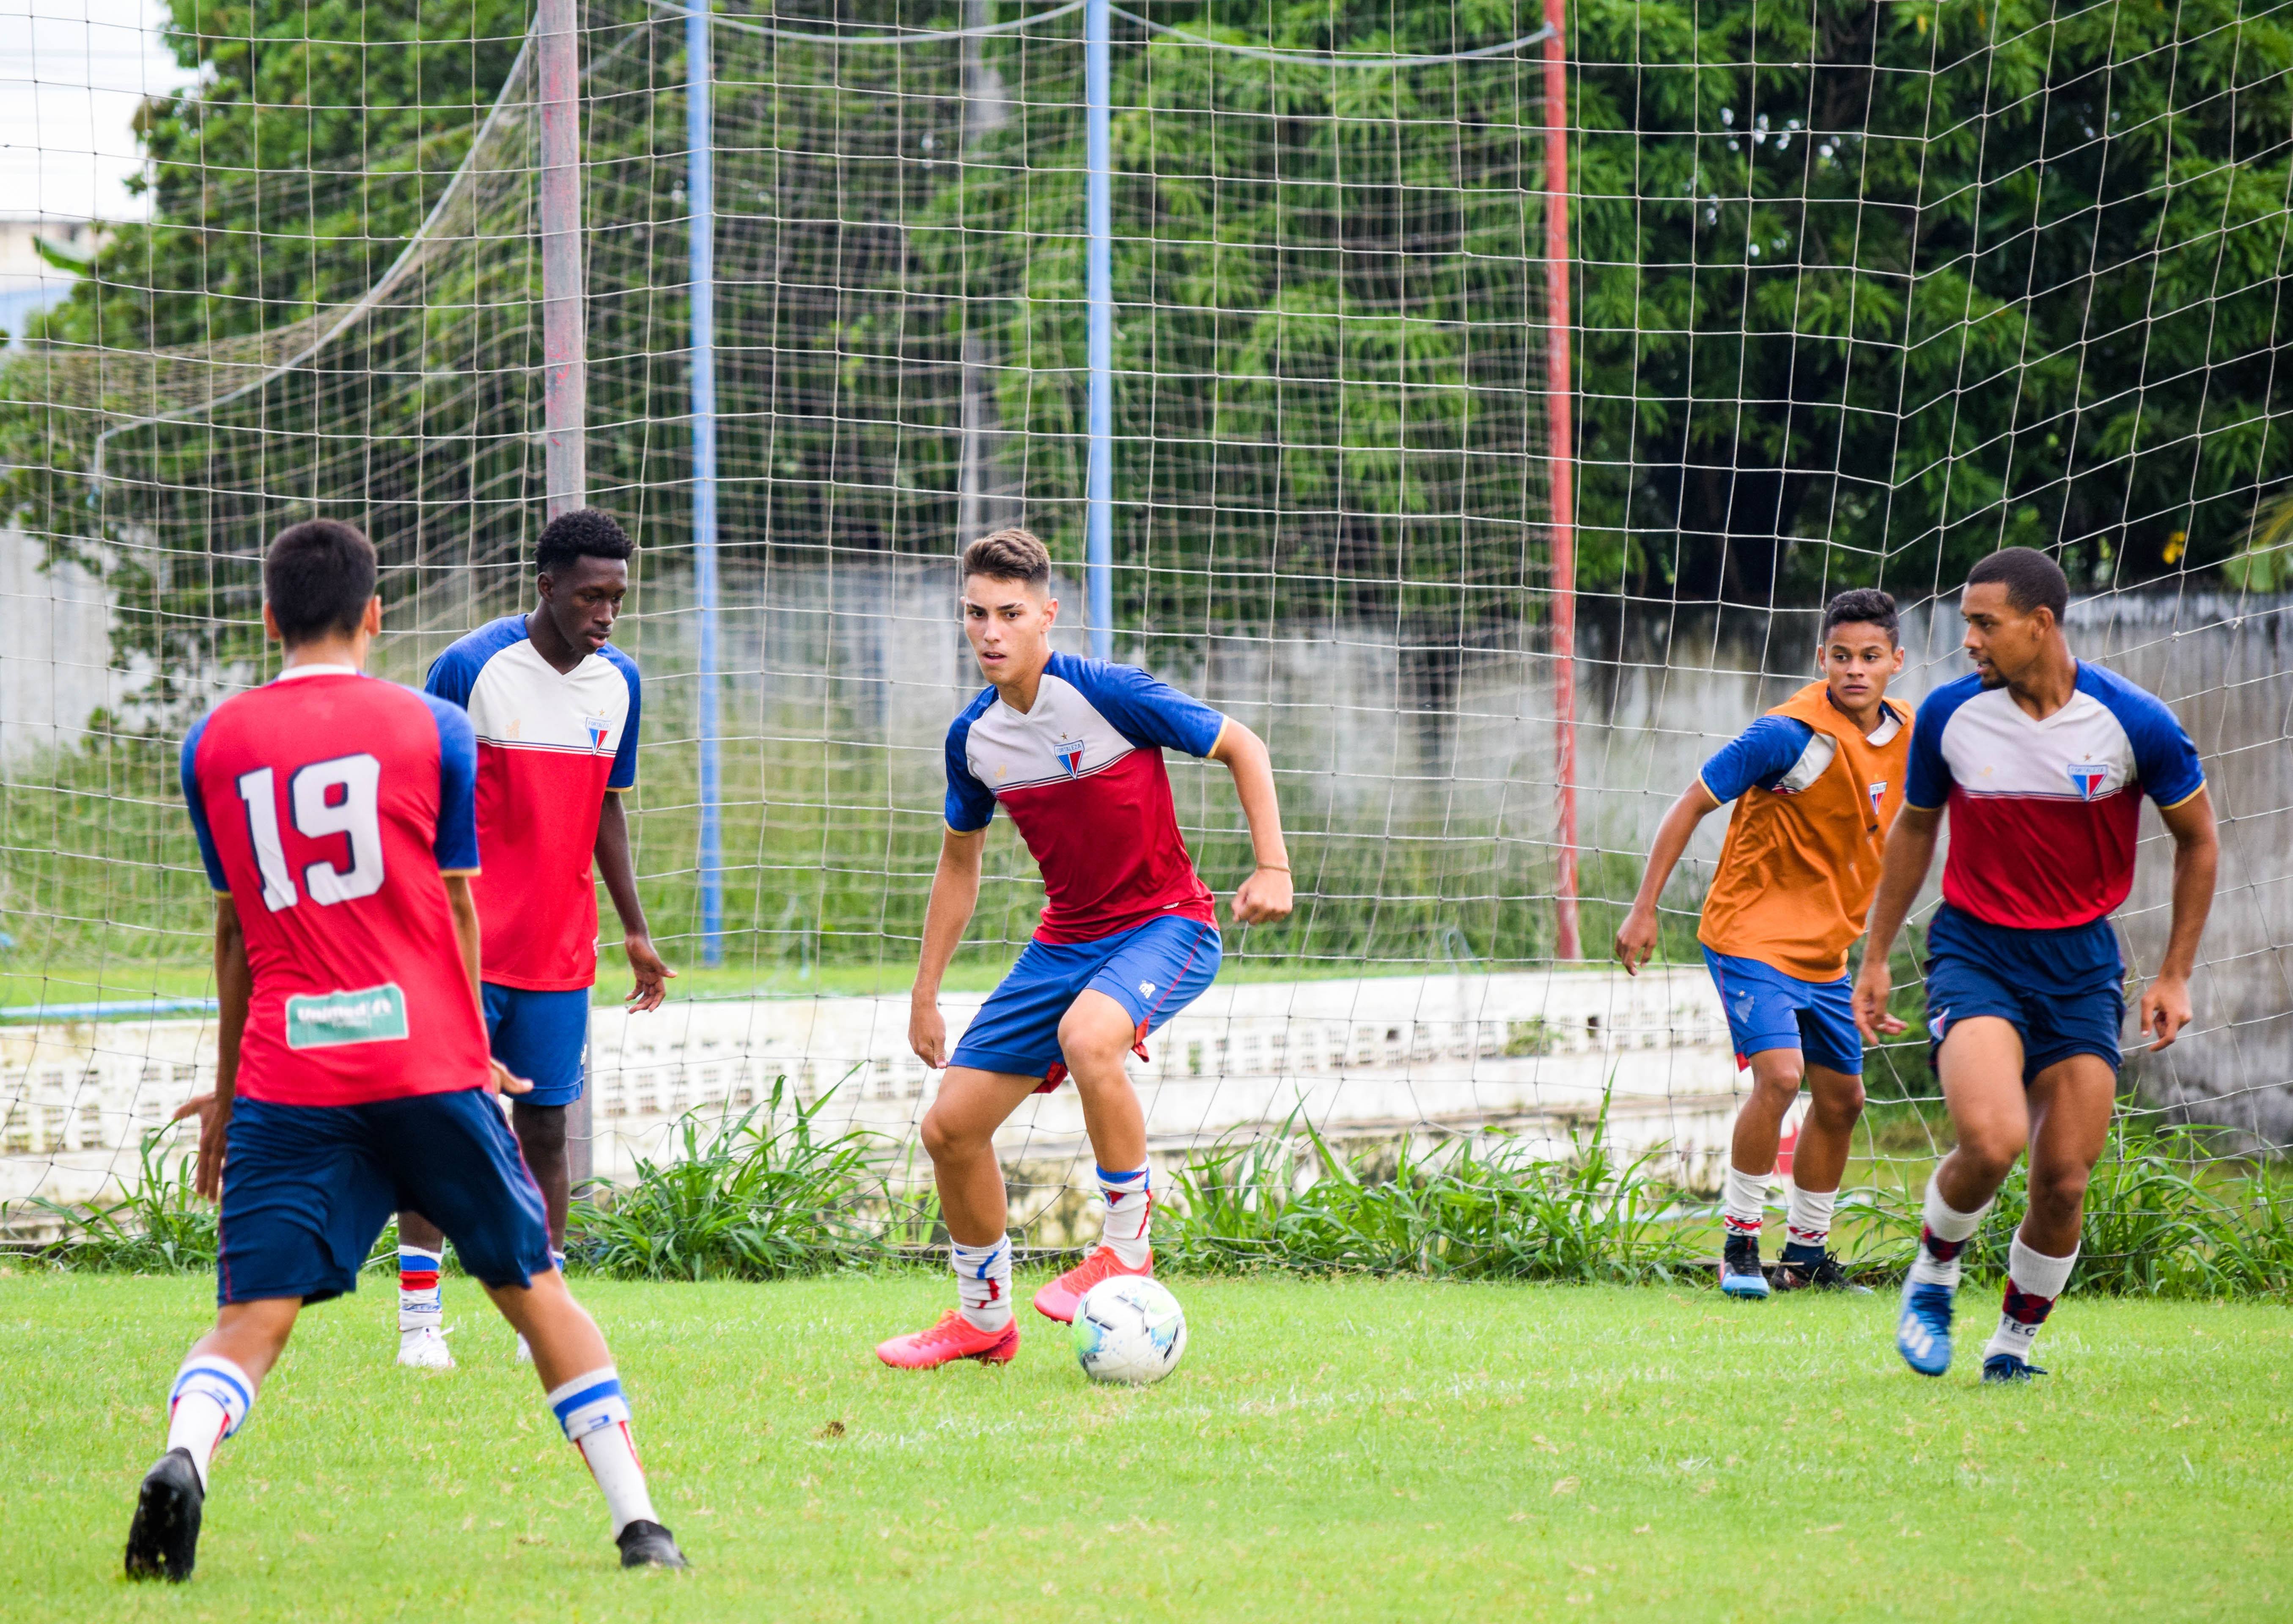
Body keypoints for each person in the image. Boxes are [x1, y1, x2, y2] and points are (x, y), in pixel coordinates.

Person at [126, 520, 685, 1583]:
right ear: (375, 615)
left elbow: (235, 937)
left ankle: (186, 1452)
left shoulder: (215, 744)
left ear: (266, 618)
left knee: (253, 1314)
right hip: (422, 1055)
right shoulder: (433, 725)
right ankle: (639, 1524)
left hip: (290, 1070)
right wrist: (475, 1050)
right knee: (536, 1290)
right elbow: (461, 911)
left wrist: (228, 1089)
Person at [876, 529, 1293, 1369]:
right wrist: (925, 991)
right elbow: (958, 866)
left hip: (1167, 924)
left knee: (1088, 1037)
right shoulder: (973, 741)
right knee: (950, 1130)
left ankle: (1126, 1249)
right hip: (1065, 940)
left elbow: (1242, 745)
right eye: (975, 614)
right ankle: (983, 1320)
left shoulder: (1108, 693)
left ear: (1046, 616)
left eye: (1009, 613)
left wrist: (1272, 866)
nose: (990, 632)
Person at [1854, 547, 2216, 1382]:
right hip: (1974, 949)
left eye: (1983, 625)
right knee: (1992, 1139)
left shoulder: (2134, 722)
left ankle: (2011, 1348)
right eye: (1965, 625)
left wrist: (2173, 974)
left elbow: (2197, 840)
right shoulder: (1948, 716)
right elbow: (1913, 829)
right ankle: (1933, 1273)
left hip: (2081, 963)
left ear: (2038, 624)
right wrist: (1874, 956)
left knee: (2061, 1182)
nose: (1969, 642)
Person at [397, 508, 673, 1369]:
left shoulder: (618, 682)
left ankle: (540, 1318)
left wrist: (633, 929)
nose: (606, 613)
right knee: (445, 1123)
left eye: (617, 598)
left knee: (546, 1127)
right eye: (591, 595)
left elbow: (607, 807)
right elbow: (414, 800)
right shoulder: (470, 667)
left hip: (560, 953)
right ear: (546, 587)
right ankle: (419, 1325)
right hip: (464, 948)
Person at [1616, 587, 1914, 1297]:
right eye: (1840, 656)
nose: (1853, 670)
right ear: (1821, 659)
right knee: (1780, 1078)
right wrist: (1643, 909)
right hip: (1749, 934)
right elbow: (1689, 804)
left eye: (1869, 657)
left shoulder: (1909, 732)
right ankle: (1739, 1244)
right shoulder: (1783, 735)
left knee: (1842, 1101)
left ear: (1895, 663)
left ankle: (1806, 1256)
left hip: (1826, 952)